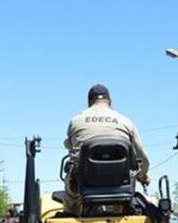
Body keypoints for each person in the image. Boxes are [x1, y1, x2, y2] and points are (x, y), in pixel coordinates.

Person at [63, 84, 150, 214]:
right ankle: (124, 210)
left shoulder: (76, 121)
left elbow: (70, 147)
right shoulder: (125, 121)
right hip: (120, 181)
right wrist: (141, 175)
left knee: (70, 174)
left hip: (85, 182)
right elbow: (142, 157)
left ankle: (70, 213)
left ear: (89, 102)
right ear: (109, 101)